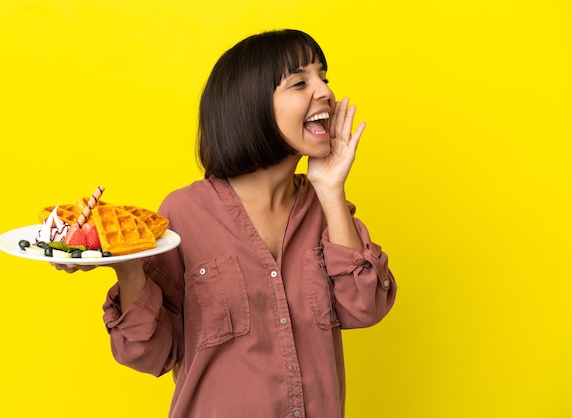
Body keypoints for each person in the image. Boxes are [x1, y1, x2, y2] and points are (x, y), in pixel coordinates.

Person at [55, 29, 397, 418]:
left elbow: (365, 307)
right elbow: (147, 354)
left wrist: (332, 189)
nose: (325, 92)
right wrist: (128, 268)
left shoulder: (325, 209)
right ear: (250, 106)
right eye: (300, 82)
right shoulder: (184, 214)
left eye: (325, 77)